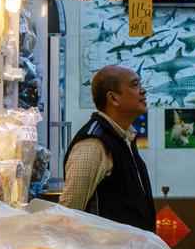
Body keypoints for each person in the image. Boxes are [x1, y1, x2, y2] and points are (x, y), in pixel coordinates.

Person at [61, 65, 154, 231]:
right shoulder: (93, 144)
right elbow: (69, 212)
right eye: (135, 85)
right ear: (113, 98)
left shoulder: (124, 137)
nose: (143, 91)